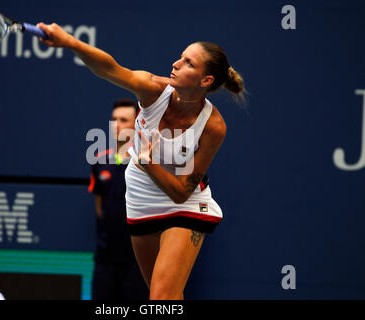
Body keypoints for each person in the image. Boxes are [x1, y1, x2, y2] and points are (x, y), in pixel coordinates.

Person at [37, 22, 245, 300]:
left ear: (205, 80)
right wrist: (70, 43)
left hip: (186, 201)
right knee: (164, 296)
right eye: (180, 57)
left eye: (187, 63)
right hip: (141, 196)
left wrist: (148, 163)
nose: (175, 63)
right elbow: (109, 68)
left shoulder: (214, 126)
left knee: (162, 298)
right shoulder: (152, 90)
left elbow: (182, 192)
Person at [88, 98, 148, 300]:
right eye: (114, 119)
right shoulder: (99, 159)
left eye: (123, 119)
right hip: (105, 260)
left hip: (139, 262)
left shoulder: (147, 161)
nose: (117, 125)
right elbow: (99, 208)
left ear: (136, 123)